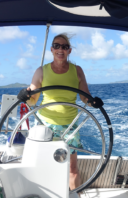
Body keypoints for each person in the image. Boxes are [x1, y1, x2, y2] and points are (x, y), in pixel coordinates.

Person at [17, 33, 103, 190]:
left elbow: (85, 97)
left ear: (69, 51)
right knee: (42, 166)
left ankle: (75, 195)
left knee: (72, 168)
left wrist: (93, 103)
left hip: (70, 126)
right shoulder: (41, 71)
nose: (60, 49)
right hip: (45, 123)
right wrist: (25, 96)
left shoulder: (77, 71)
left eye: (64, 46)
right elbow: (33, 100)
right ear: (51, 49)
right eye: (56, 46)